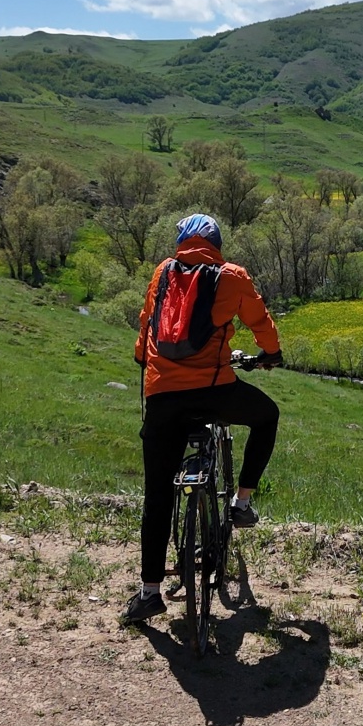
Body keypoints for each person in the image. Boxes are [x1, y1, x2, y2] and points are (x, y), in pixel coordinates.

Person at [122, 213, 283, 624]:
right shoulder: (231, 275)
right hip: (214, 392)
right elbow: (259, 319)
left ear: (180, 242)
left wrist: (145, 358)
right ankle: (241, 502)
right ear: (216, 243)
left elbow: (147, 326)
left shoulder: (162, 273)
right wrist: (271, 353)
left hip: (162, 398)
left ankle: (150, 593)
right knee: (267, 416)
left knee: (157, 496)